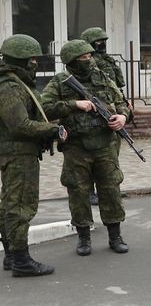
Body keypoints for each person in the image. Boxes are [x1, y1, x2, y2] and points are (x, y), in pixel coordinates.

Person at [41, 40, 131, 256]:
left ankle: (115, 235)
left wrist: (122, 117)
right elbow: (44, 108)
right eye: (84, 57)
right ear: (72, 61)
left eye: (90, 56)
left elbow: (121, 103)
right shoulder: (60, 82)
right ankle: (83, 237)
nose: (89, 60)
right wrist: (74, 104)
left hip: (105, 145)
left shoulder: (102, 77)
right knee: (78, 192)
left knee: (110, 189)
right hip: (76, 147)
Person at [0, 34, 67, 277]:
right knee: (20, 206)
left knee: (10, 204)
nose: (36, 63)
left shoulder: (16, 82)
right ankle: (21, 260)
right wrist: (53, 130)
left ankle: (11, 256)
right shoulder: (10, 86)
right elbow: (20, 125)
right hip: (18, 154)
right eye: (32, 59)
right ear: (21, 60)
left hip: (19, 153)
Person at [80, 27, 130, 206]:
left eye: (103, 41)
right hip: (96, 112)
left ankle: (110, 188)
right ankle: (91, 192)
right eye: (98, 42)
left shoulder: (108, 60)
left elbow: (115, 85)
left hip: (113, 110)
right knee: (94, 156)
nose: (102, 44)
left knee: (111, 154)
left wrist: (123, 102)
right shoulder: (87, 62)